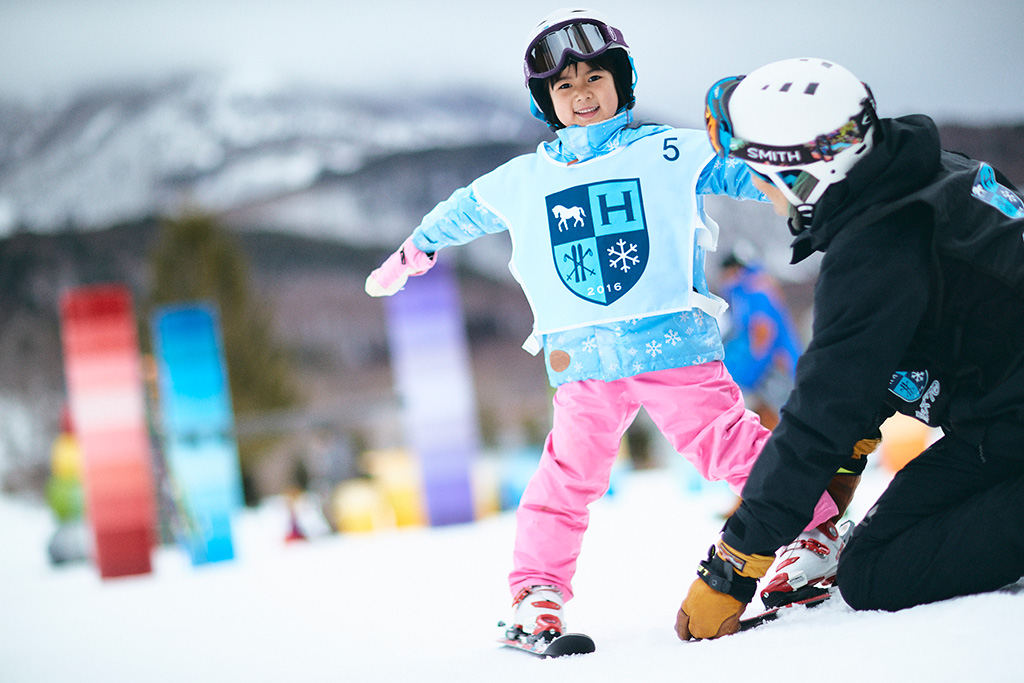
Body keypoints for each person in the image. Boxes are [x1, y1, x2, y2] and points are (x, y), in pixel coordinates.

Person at [365, 10, 840, 642]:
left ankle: (818, 534)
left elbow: (751, 171)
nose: (582, 93)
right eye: (564, 86)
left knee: (732, 445)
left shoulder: (669, 150)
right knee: (566, 478)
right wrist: (416, 249)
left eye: (594, 76)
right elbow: (462, 212)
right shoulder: (525, 179)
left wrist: (828, 188)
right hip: (583, 362)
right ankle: (536, 594)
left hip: (671, 343)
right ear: (546, 101)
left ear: (623, 81)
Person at [676, 56, 1024, 641]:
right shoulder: (929, 171)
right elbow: (884, 359)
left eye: (760, 177)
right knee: (884, 540)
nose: (760, 193)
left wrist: (732, 570)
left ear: (802, 177)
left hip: (1007, 421)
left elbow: (820, 412)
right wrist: (838, 472)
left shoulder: (876, 250)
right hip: (1000, 412)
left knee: (874, 571)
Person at [718, 244, 802, 430]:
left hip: (774, 367)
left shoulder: (754, 290)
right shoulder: (747, 291)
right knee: (774, 421)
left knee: (787, 421)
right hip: (768, 368)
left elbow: (763, 332)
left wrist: (748, 369)